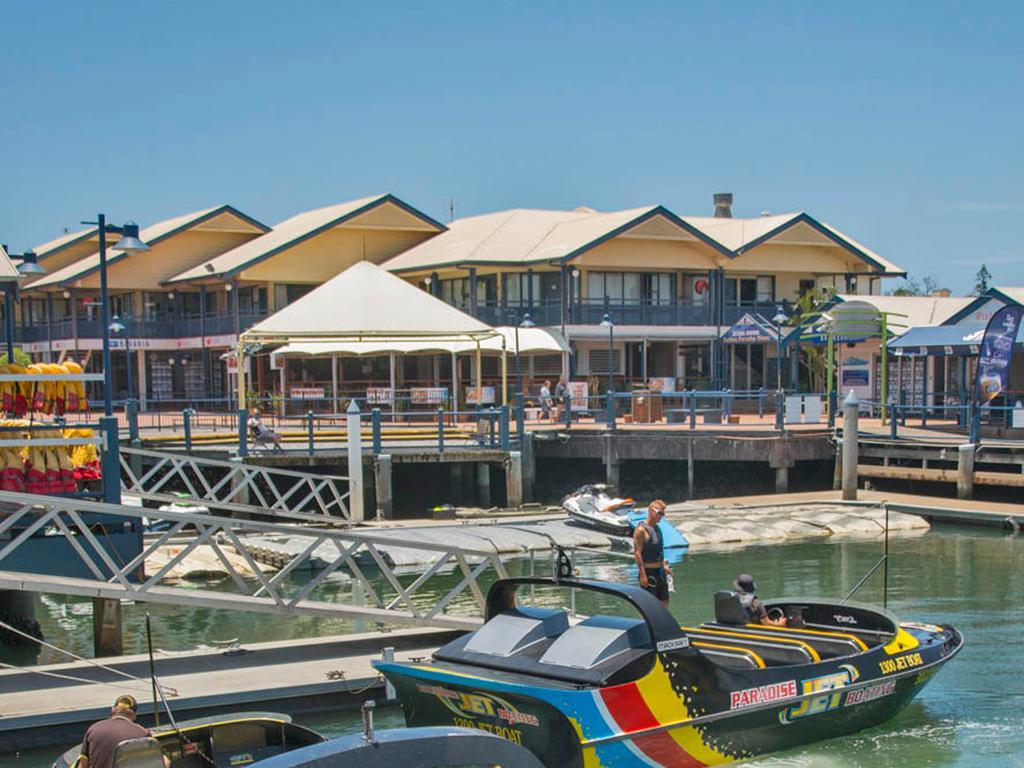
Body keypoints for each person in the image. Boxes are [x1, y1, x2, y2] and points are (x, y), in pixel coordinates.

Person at [79, 694, 151, 768]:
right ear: (134, 715)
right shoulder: (143, 733)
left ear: (113, 710)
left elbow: (83, 764)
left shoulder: (93, 729)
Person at [633, 499, 673, 609]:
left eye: (663, 514)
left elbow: (659, 550)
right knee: (650, 604)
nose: (661, 516)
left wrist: (664, 566)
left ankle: (663, 623)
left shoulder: (658, 528)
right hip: (648, 572)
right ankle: (649, 624)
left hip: (660, 572)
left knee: (665, 600)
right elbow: (637, 553)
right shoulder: (641, 530)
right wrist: (642, 575)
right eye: (659, 513)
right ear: (651, 511)